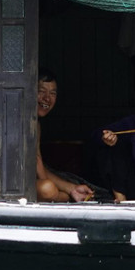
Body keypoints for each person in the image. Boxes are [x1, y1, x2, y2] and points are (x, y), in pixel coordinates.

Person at [35, 72, 94, 203]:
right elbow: (36, 163)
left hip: (34, 182)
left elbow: (39, 165)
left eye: (53, 93)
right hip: (10, 185)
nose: (47, 98)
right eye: (41, 91)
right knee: (48, 189)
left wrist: (72, 188)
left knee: (66, 184)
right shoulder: (21, 118)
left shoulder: (36, 123)